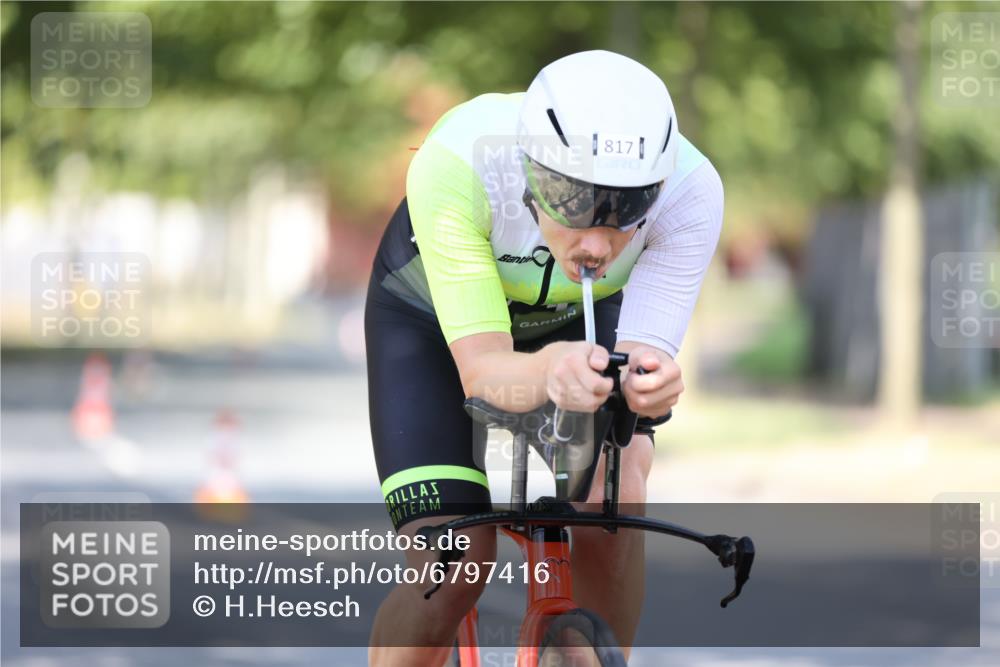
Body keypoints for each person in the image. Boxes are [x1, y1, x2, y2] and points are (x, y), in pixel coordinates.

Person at [365, 49, 723, 666]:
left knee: (617, 496)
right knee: (453, 565)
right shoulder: (455, 162)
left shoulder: (692, 193)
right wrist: (549, 371)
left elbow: (640, 366)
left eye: (628, 209)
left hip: (581, 316)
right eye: (571, 199)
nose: (595, 241)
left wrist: (648, 387)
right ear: (531, 172)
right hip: (432, 324)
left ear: (659, 189)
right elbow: (482, 375)